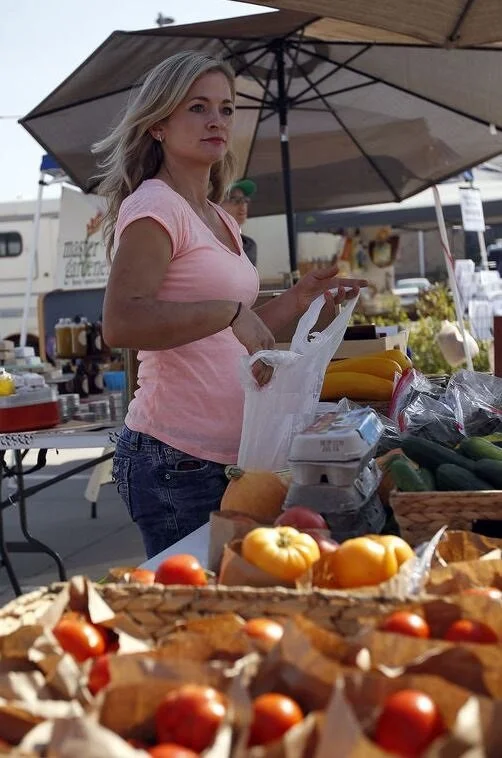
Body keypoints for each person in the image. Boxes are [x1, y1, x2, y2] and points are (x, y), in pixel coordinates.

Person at [92, 51, 366, 559]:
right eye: (197, 107)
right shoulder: (155, 206)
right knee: (195, 616)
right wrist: (230, 311)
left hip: (231, 457)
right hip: (175, 458)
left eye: (226, 108)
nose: (216, 119)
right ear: (157, 125)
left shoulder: (217, 215)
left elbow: (240, 331)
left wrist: (301, 298)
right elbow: (122, 321)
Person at [220, 178, 258, 265]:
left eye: (245, 200)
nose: (243, 206)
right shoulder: (206, 243)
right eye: (235, 200)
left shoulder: (249, 245)